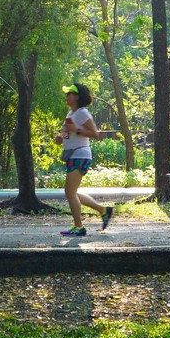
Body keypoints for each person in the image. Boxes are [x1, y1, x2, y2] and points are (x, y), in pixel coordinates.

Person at [57, 83, 112, 237]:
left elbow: (94, 133)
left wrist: (76, 130)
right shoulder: (70, 114)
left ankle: (78, 226)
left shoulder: (82, 113)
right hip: (73, 154)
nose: (67, 96)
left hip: (80, 154)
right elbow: (69, 134)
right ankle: (103, 210)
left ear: (77, 96)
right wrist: (61, 138)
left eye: (70, 93)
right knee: (72, 192)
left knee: (70, 192)